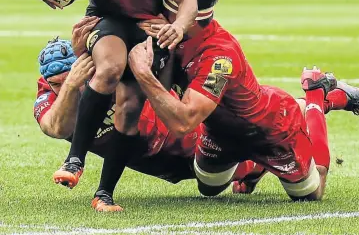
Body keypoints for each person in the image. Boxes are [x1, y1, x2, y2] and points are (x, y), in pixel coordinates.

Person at [129, 0, 359, 200]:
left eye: (170, 5)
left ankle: (319, 97)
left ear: (190, 17)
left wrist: (144, 74)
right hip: (220, 132)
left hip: (269, 131)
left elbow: (184, 121)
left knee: (312, 192)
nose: (160, 12)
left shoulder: (219, 57)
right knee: (208, 188)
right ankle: (255, 166)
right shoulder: (175, 30)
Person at [26, 0, 198, 209]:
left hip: (148, 26)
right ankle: (74, 160)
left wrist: (177, 27)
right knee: (108, 68)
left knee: (130, 107)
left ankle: (104, 194)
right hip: (104, 22)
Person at [34, 32, 263, 211]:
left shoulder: (104, 72)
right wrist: (71, 85)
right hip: (147, 159)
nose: (64, 86)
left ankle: (285, 120)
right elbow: (54, 128)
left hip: (181, 136)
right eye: (56, 83)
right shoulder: (50, 97)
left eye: (71, 78)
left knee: (222, 174)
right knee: (208, 184)